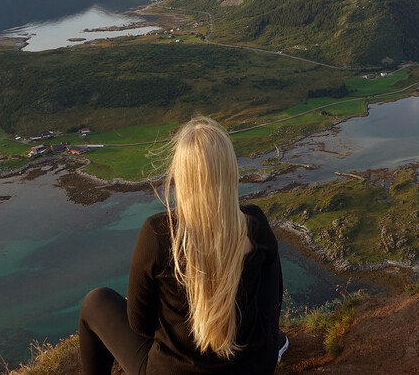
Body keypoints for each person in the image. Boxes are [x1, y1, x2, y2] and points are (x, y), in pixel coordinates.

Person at [79, 116, 286, 375]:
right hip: (254, 367)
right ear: (230, 170)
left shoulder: (158, 233)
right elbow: (270, 307)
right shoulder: (255, 225)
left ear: (182, 176)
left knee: (95, 301)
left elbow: (139, 324)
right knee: (271, 258)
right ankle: (275, 344)